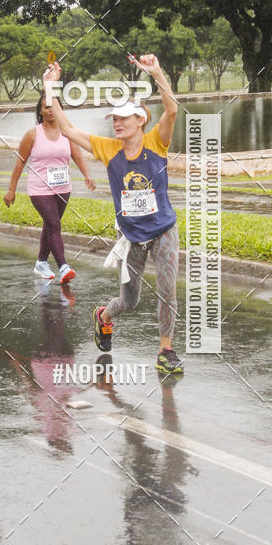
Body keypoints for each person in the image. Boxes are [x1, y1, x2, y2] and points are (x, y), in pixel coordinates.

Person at [45, 54, 184, 375]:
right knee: (129, 300)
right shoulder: (108, 148)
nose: (116, 123)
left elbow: (172, 109)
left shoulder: (157, 142)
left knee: (167, 292)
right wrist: (49, 88)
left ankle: (165, 351)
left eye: (123, 118)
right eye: (114, 119)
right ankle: (104, 316)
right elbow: (67, 129)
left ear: (140, 120)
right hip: (131, 236)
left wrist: (156, 72)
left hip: (164, 229)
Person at [4, 92, 95, 282]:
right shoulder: (32, 134)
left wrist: (87, 176)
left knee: (50, 225)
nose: (51, 110)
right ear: (40, 111)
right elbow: (20, 163)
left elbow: (77, 156)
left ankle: (41, 263)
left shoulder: (67, 133)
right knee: (54, 224)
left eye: (54, 107)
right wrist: (11, 189)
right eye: (46, 107)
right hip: (39, 189)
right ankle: (63, 266)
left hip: (63, 188)